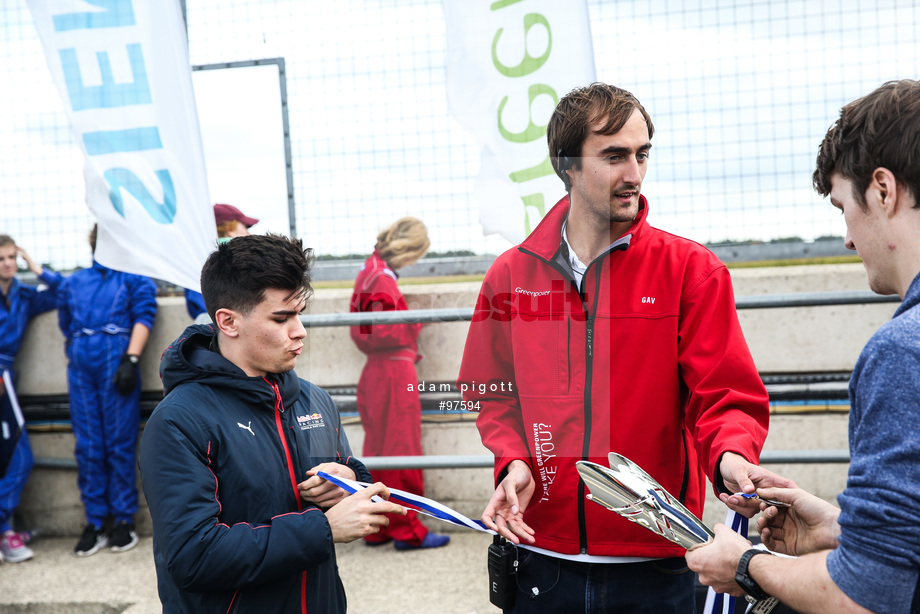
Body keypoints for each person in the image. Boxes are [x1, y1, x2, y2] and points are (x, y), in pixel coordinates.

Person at [458, 82, 791, 612]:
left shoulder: (691, 271)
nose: (633, 173)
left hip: (659, 564)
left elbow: (724, 394)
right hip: (542, 559)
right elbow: (492, 394)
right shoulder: (508, 276)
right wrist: (512, 462)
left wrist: (730, 455)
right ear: (566, 165)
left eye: (642, 154)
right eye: (614, 156)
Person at [687, 79, 920, 614]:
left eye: (843, 207)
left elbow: (863, 595)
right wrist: (841, 527)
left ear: (884, 190)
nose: (846, 238)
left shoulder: (901, 354)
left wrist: (746, 565)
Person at [138, 233, 406, 613]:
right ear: (228, 322)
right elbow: (193, 557)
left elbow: (343, 471)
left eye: (299, 313)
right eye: (282, 318)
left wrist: (345, 482)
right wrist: (324, 530)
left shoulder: (313, 398)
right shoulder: (178, 421)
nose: (300, 331)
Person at [349, 217, 449, 550]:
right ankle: (407, 530)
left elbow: (365, 328)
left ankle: (378, 526)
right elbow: (386, 330)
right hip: (393, 371)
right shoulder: (382, 278)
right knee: (401, 451)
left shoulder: (371, 270)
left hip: (378, 370)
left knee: (379, 450)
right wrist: (414, 320)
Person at [57, 225, 157, 556]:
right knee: (88, 446)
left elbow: (145, 314)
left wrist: (131, 358)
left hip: (117, 363)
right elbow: (65, 322)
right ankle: (96, 521)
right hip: (82, 367)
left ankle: (124, 520)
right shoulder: (75, 281)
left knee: (119, 442)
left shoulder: (134, 278)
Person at [0, 235, 62, 563]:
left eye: (12, 257)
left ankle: (5, 532)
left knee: (15, 457)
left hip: (7, 378)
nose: (8, 263)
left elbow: (61, 292)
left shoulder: (23, 294)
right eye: (2, 258)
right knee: (18, 456)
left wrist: (36, 268)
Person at [184, 203, 260, 321]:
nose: (248, 233)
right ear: (230, 229)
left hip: (205, 323)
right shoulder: (243, 256)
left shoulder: (194, 255)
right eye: (245, 227)